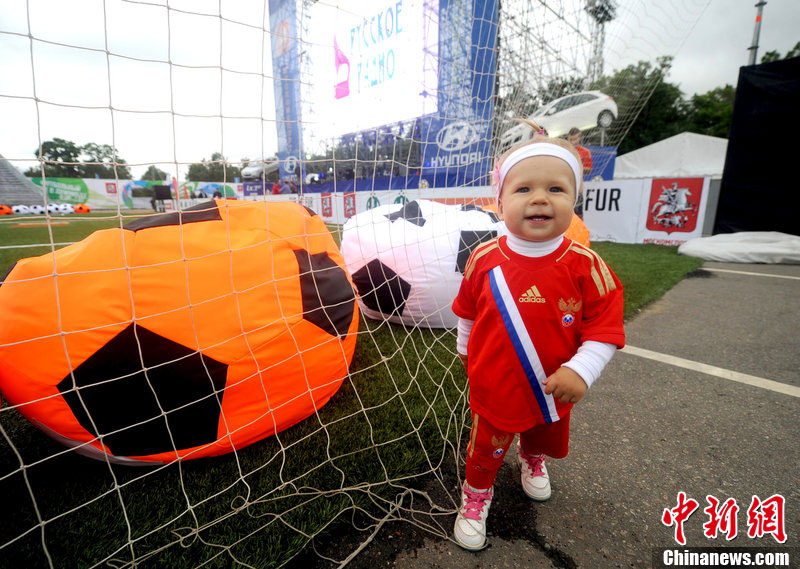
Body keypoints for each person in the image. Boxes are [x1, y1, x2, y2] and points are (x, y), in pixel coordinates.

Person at [450, 121, 625, 551]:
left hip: (553, 384)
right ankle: (475, 497)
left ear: (575, 200)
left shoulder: (586, 265)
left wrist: (581, 370)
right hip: (495, 382)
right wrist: (464, 346)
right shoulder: (483, 258)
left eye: (556, 189)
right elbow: (467, 311)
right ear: (500, 200)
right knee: (486, 447)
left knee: (541, 431)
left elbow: (605, 326)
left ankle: (533, 459)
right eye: (524, 189)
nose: (540, 198)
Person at [567, 127, 592, 217]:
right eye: (571, 139)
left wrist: (578, 166)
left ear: (579, 138)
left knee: (579, 215)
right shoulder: (564, 150)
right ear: (568, 139)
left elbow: (589, 170)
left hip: (578, 190)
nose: (573, 141)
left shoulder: (585, 152)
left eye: (575, 139)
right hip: (565, 188)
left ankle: (580, 231)